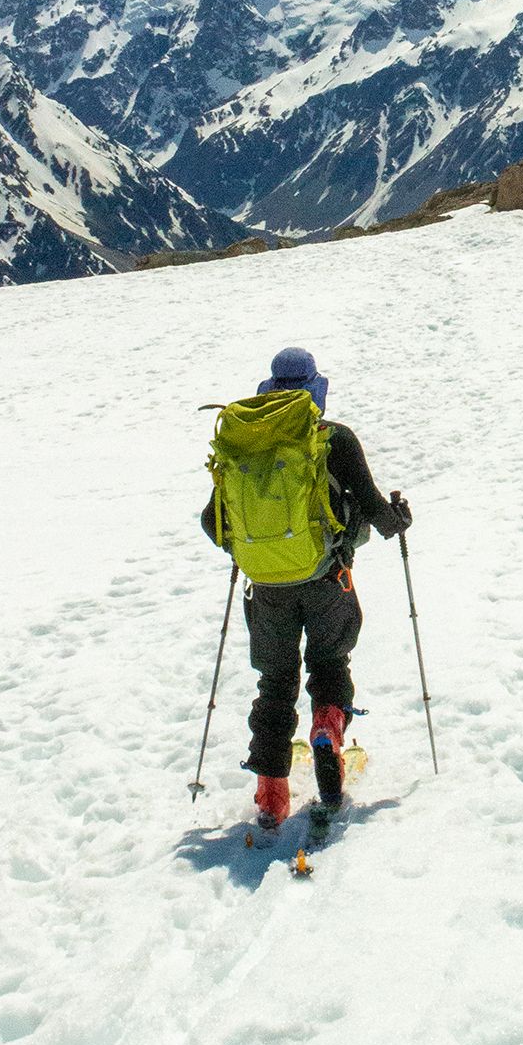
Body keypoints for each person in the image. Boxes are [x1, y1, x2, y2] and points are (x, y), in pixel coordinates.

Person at [202, 345, 411, 827]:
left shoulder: (245, 443)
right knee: (329, 662)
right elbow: (378, 512)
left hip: (267, 588)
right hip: (326, 579)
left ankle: (271, 790)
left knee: (275, 682)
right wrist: (398, 518)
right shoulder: (334, 439)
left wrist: (254, 548)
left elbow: (212, 523)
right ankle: (326, 732)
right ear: (315, 390)